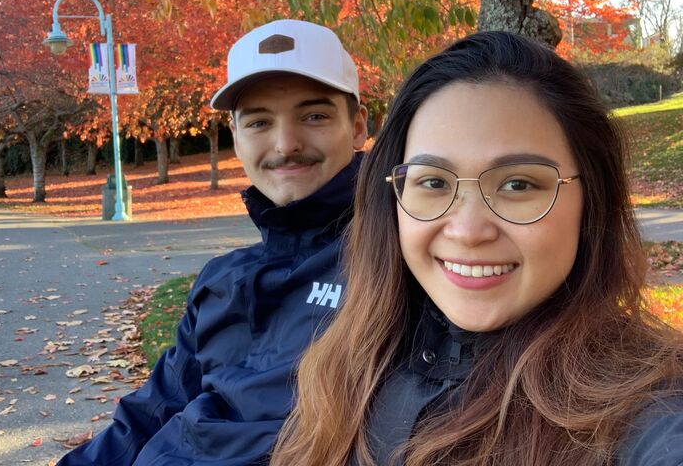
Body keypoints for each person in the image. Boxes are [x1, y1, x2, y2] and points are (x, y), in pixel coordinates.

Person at [270, 31, 683, 466]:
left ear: (591, 201)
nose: (468, 231)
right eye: (433, 182)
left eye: (517, 184)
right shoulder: (348, 365)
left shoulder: (650, 413)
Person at [58, 19, 368, 465]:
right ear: (237, 138)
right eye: (259, 122)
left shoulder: (395, 262)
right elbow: (152, 411)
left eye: (314, 116)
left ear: (357, 127)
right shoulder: (223, 279)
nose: (286, 143)